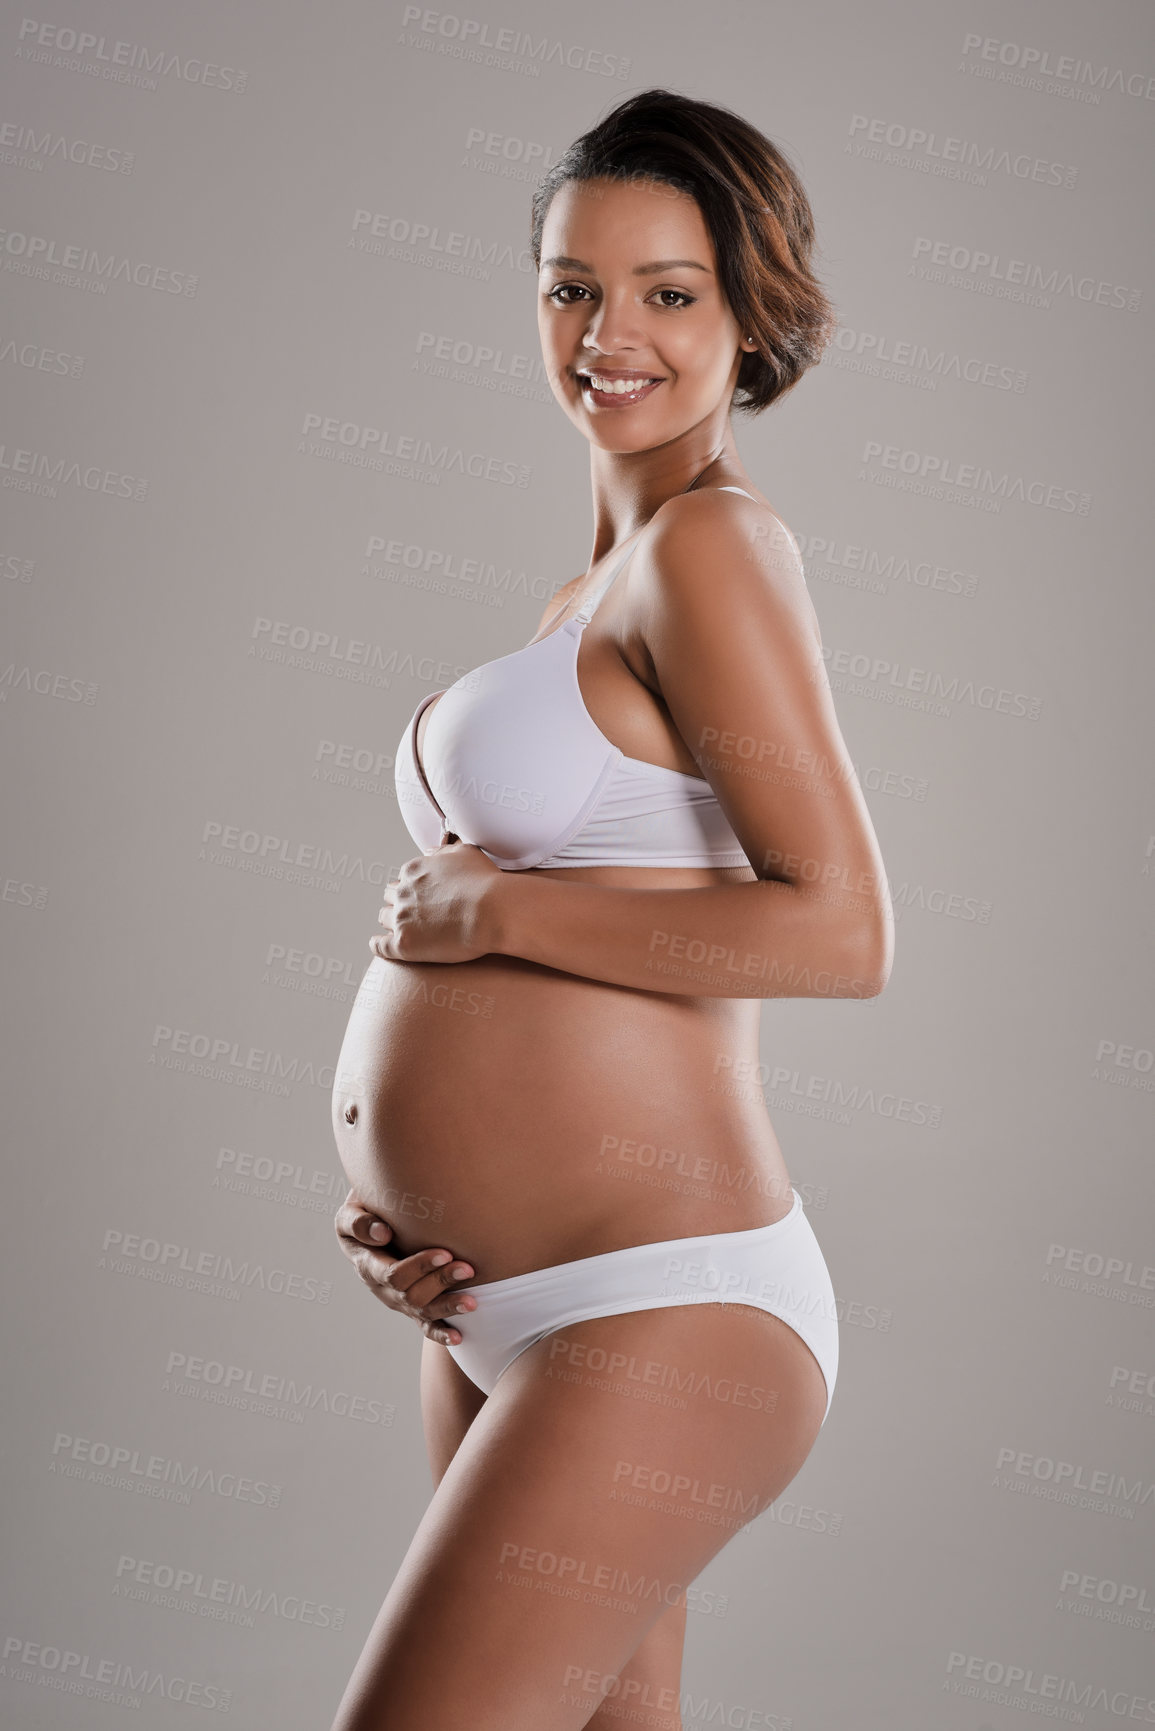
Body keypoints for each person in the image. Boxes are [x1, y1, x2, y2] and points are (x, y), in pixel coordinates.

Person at [327, 87, 892, 1730]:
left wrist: (499, 922)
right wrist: (409, 1200)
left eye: (670, 290)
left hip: (663, 1306)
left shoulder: (709, 550)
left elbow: (839, 930)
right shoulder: (591, 590)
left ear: (749, 311)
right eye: (572, 286)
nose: (607, 333)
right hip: (493, 1309)